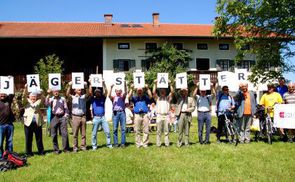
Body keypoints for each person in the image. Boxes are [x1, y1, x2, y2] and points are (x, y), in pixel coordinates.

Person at [22, 84, 45, 156]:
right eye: (32, 96)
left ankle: (41, 151)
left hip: (37, 123)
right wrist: (25, 88)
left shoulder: (38, 102)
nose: (33, 97)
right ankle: (28, 152)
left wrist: (42, 93)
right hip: (28, 123)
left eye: (34, 96)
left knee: (39, 138)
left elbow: (43, 99)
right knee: (28, 138)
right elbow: (23, 96)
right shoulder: (26, 102)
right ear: (29, 96)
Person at [89, 81, 112, 150]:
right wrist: (90, 83)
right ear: (95, 93)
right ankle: (94, 146)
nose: (97, 93)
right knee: (94, 134)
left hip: (103, 118)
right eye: (96, 92)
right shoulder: (93, 99)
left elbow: (106, 92)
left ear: (100, 93)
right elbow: (90, 92)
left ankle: (109, 144)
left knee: (107, 132)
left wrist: (104, 83)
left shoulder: (103, 98)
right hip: (96, 118)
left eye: (98, 92)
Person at [66, 81, 89, 152]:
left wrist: (86, 86)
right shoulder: (72, 97)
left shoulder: (83, 97)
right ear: (75, 90)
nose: (80, 89)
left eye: (80, 89)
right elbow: (67, 94)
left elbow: (88, 93)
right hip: (75, 117)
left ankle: (83, 146)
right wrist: (69, 86)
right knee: (75, 134)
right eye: (77, 88)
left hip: (83, 117)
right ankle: (75, 148)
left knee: (83, 134)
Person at [45, 89, 70, 154]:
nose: (56, 92)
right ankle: (56, 150)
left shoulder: (63, 99)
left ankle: (66, 149)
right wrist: (48, 94)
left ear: (59, 92)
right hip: (54, 117)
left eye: (57, 91)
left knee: (64, 133)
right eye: (54, 91)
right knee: (53, 134)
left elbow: (66, 108)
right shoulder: (51, 99)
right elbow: (46, 104)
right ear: (52, 92)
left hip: (62, 117)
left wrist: (66, 116)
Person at [152, 79, 174, 147]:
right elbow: (153, 92)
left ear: (165, 92)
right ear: (160, 92)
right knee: (158, 131)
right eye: (161, 91)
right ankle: (158, 144)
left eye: (163, 91)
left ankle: (167, 143)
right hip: (159, 116)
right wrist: (155, 84)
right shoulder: (157, 99)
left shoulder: (168, 98)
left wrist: (170, 84)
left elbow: (172, 92)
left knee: (166, 131)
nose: (162, 92)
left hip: (166, 116)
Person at [0, 89, 15, 158]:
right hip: (0, 125)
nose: (2, 95)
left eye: (4, 94)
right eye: (1, 94)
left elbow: (12, 91)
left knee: (9, 142)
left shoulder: (8, 99)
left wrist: (10, 80)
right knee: (0, 142)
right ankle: (0, 156)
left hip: (9, 125)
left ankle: (9, 155)